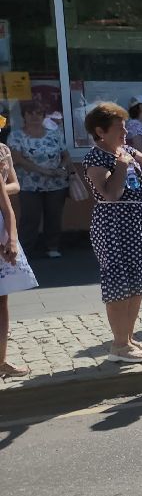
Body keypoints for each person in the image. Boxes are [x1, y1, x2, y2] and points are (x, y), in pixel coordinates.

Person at [80, 102, 142, 362]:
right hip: (114, 224)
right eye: (119, 129)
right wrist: (121, 165)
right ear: (100, 132)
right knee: (119, 284)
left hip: (137, 222)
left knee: (136, 282)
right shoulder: (95, 157)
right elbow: (110, 194)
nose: (125, 133)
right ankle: (119, 345)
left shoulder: (128, 151)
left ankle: (128, 339)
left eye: (124, 127)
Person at [7, 99, 70, 258]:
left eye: (39, 113)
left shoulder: (54, 134)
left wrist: (62, 168)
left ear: (43, 116)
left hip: (56, 184)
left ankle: (52, 247)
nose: (35, 116)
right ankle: (24, 251)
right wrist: (43, 171)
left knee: (54, 216)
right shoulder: (16, 136)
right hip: (29, 185)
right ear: (24, 116)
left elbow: (66, 155)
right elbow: (18, 159)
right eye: (30, 113)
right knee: (30, 217)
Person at [0, 141, 39, 378]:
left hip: (1, 227)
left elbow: (12, 193)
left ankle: (1, 360)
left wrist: (11, 240)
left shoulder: (3, 150)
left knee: (2, 299)